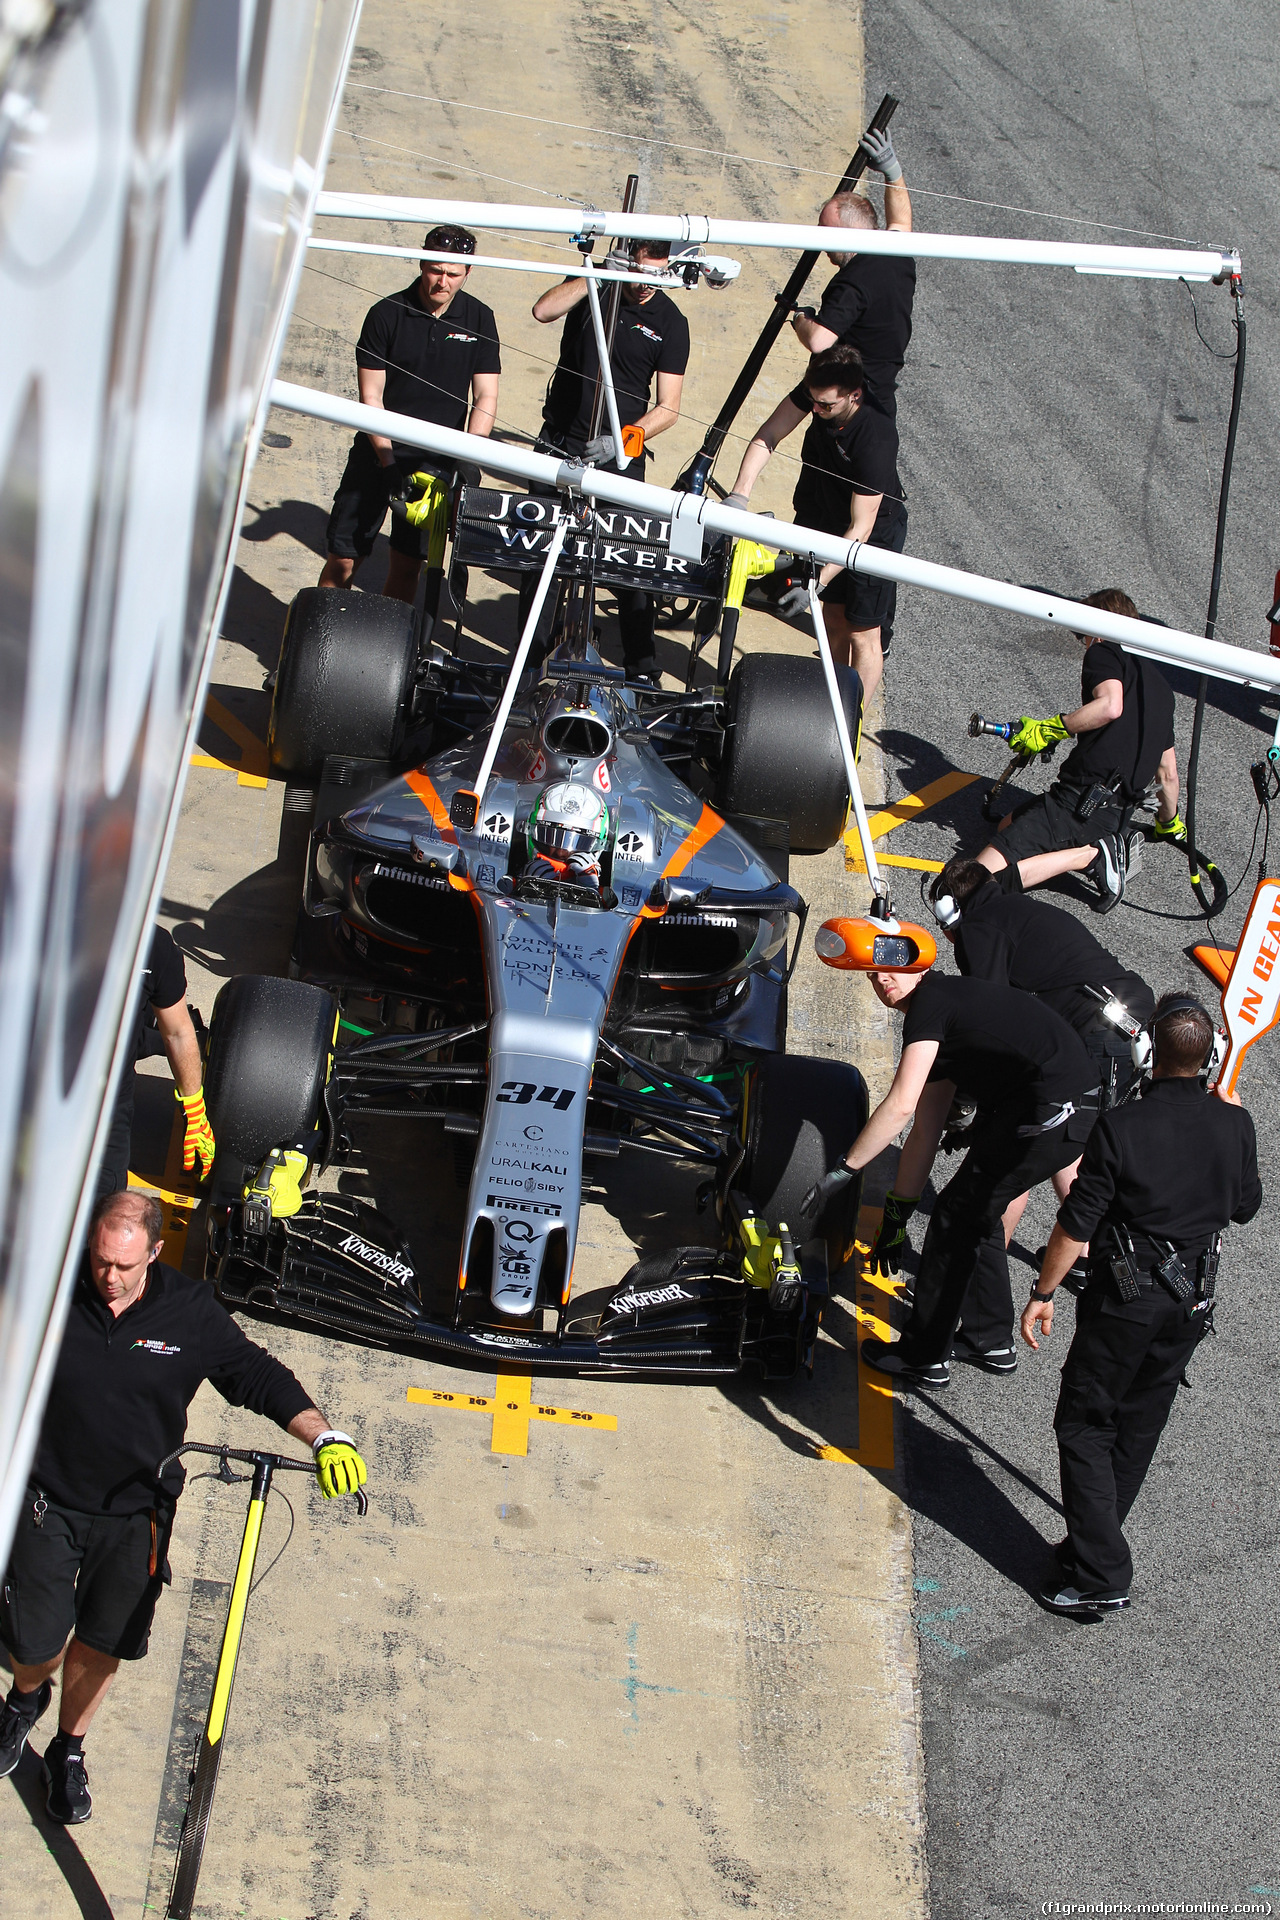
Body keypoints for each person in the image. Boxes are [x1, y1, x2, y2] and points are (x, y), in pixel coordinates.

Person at [0, 1190, 367, 1823]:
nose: (108, 1278)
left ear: (156, 1253)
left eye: (123, 1265)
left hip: (138, 1512)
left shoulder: (189, 1312)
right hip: (48, 1499)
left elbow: (256, 1374)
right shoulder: (52, 1290)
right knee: (32, 1642)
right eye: (99, 1262)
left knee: (102, 1640)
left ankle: (68, 1749)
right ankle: (24, 1699)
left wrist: (325, 1435)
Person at [1021, 995, 1261, 1617]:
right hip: (1192, 1303)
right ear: (1209, 1058)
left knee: (1082, 1422)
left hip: (1126, 1301)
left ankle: (1102, 1571)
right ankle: (1090, 1545)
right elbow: (1243, 1207)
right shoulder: (1236, 1122)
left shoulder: (1121, 1127)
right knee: (1137, 1426)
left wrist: (1043, 1293)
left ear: (1145, 1052)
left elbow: (1076, 1223)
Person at [804, 934, 1097, 1384]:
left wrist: (844, 1169)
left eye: (893, 970)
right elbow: (924, 1128)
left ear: (920, 968)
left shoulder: (930, 1004)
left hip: (1050, 1111)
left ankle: (924, 1354)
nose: (884, 981)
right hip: (1058, 1107)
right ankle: (989, 1340)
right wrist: (898, 1217)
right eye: (874, 974)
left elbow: (900, 1105)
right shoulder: (946, 1015)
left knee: (955, 1218)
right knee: (974, 1214)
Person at [526, 240, 690, 680]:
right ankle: (528, 660)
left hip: (619, 456)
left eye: (655, 276)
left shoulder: (671, 322)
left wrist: (625, 440)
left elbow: (669, 407)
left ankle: (642, 668)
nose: (644, 286)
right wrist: (598, 273)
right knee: (539, 554)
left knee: (627, 562)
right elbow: (543, 311)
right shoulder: (595, 289)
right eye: (637, 273)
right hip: (560, 441)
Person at [318, 225, 500, 604]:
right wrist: (387, 464)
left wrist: (469, 459)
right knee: (344, 559)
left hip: (434, 461)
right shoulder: (386, 315)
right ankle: (320, 640)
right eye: (435, 270)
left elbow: (485, 394)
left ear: (469, 273)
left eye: (453, 274)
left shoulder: (480, 319)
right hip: (377, 454)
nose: (442, 282)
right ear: (421, 263)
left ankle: (383, 649)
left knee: (407, 565)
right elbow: (372, 397)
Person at [974, 589, 1180, 912]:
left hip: (1076, 804)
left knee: (978, 881)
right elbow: (1167, 775)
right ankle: (1104, 846)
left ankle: (1093, 854)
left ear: (1097, 627)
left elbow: (1110, 706)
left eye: (1084, 636)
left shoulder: (1104, 650)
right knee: (1006, 827)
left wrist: (1052, 729)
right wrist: (1169, 822)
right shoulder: (1162, 690)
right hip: (1116, 814)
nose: (1084, 643)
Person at [724, 342, 906, 698]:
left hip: (872, 533)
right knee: (834, 623)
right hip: (828, 519)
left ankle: (852, 722)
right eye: (813, 401)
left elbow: (861, 528)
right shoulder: (819, 395)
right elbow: (769, 435)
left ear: (855, 396)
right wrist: (739, 495)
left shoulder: (876, 436)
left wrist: (817, 582)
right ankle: (831, 701)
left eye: (826, 405)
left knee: (863, 633)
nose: (817, 409)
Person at [790, 127, 915, 419]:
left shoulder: (853, 283)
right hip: (879, 399)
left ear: (846, 234)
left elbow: (819, 340)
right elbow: (901, 221)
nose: (821, 243)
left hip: (847, 406)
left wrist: (800, 321)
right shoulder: (895, 254)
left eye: (826, 233)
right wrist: (892, 171)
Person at [96, 925, 214, 1200]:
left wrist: (194, 1107)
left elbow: (177, 1032)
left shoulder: (152, 946)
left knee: (102, 1209)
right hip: (27, 1098)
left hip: (107, 1108)